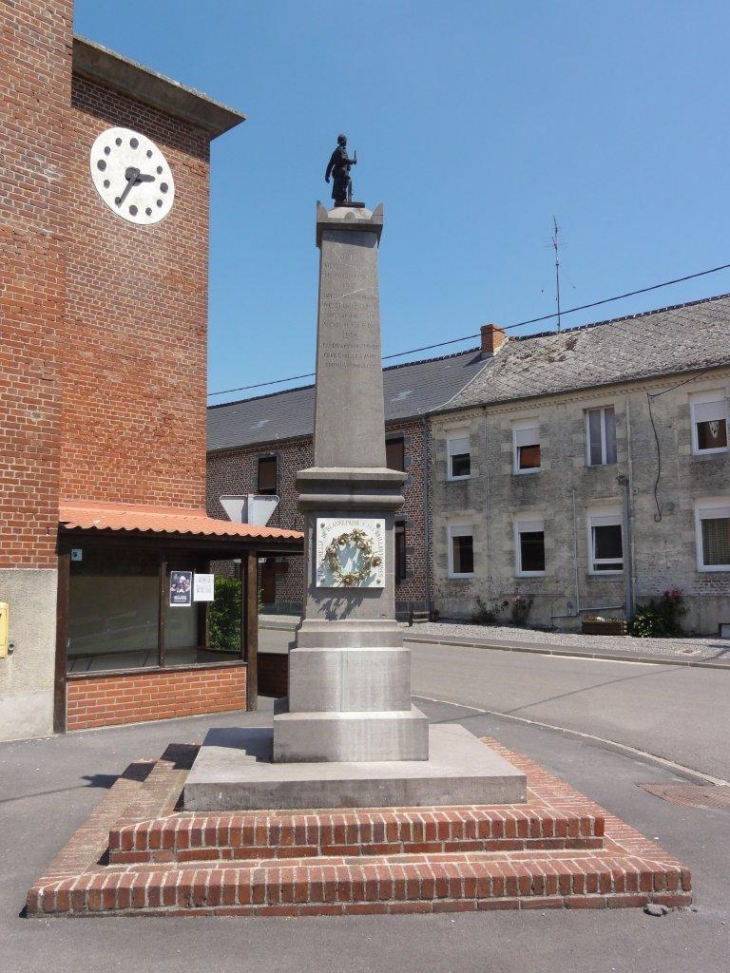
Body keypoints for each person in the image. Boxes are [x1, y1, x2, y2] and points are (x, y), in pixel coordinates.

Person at [325, 134, 357, 206]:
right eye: (345, 140)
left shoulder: (338, 150)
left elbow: (330, 164)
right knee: (342, 186)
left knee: (343, 185)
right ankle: (341, 198)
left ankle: (342, 198)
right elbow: (343, 159)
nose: (346, 141)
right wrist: (352, 161)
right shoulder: (340, 150)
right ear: (343, 141)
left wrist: (327, 176)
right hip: (340, 172)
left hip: (340, 172)